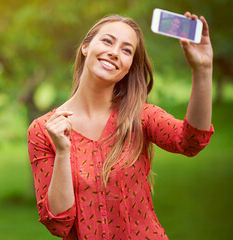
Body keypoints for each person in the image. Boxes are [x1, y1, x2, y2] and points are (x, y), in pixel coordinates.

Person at [27, 11, 214, 240]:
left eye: (126, 50)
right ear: (86, 47)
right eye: (107, 41)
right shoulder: (44, 130)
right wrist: (63, 152)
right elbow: (59, 224)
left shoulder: (140, 116)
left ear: (128, 67)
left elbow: (191, 142)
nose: (115, 53)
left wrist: (203, 70)